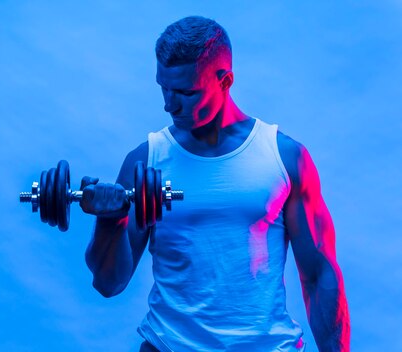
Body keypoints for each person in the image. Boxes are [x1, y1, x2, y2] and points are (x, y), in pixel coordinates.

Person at [80, 16, 350, 351]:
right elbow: (109, 283)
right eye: (163, 88)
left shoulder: (284, 157)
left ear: (225, 81)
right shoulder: (146, 160)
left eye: (185, 92)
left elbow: (319, 274)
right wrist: (111, 220)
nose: (169, 104)